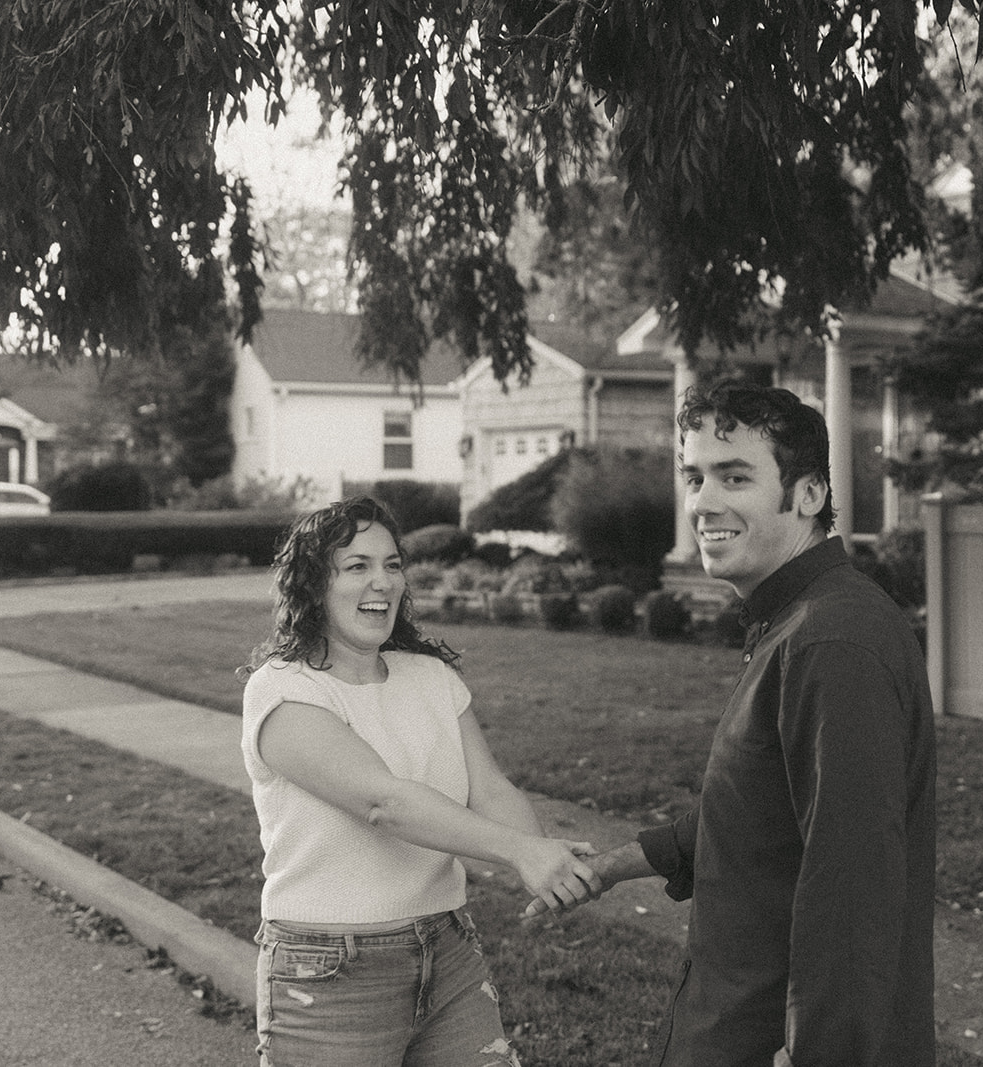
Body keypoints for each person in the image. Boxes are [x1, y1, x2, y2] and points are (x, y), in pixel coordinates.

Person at [528, 380, 937, 1066]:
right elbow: (760, 809)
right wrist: (619, 863)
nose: (703, 502)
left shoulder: (831, 643)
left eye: (735, 476)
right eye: (694, 476)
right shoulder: (795, 621)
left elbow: (852, 886)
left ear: (807, 494)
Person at [240, 496, 599, 1067]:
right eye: (356, 566)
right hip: (330, 967)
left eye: (392, 564)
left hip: (448, 948)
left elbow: (489, 788)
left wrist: (544, 862)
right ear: (311, 586)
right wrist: (519, 852)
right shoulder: (283, 690)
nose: (381, 581)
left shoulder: (431, 677)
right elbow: (385, 803)